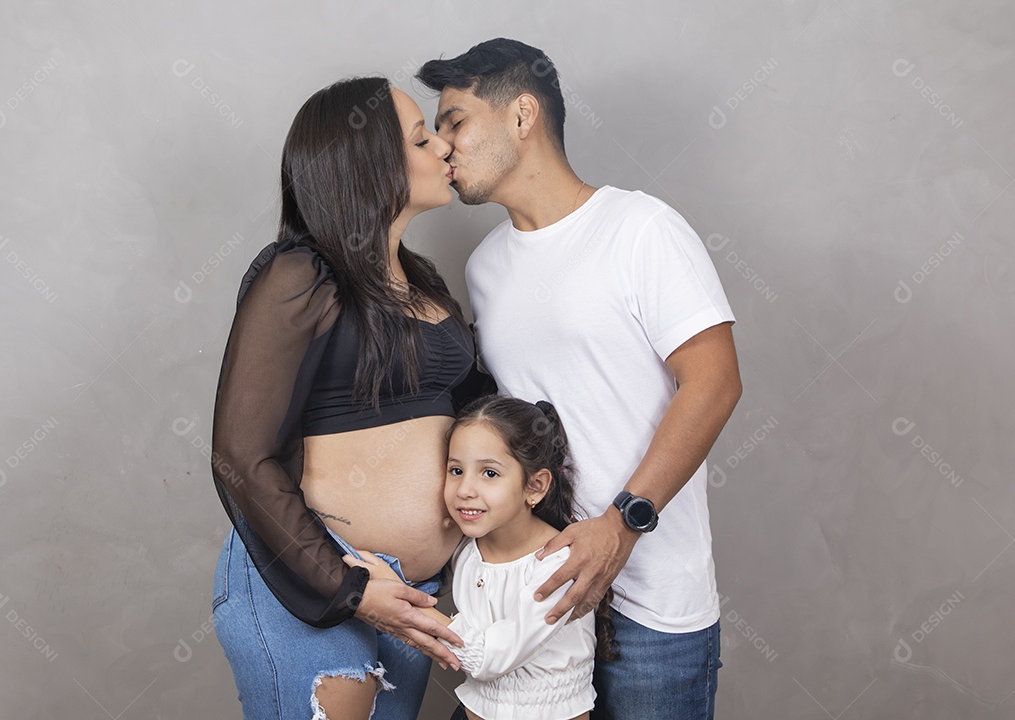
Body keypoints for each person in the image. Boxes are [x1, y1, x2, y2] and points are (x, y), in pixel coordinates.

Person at [416, 40, 743, 719]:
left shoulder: (641, 229)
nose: (442, 147)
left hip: (650, 612)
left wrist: (622, 523)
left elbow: (714, 383)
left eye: (454, 122)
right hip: (540, 606)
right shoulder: (484, 267)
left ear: (522, 114)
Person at [209, 76, 494, 720]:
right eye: (423, 138)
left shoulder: (424, 282)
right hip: (315, 583)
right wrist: (347, 587)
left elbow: (485, 415)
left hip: (410, 593)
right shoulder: (300, 275)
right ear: (371, 167)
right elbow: (240, 454)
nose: (445, 148)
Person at [344, 395, 619, 720]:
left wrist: (398, 598)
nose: (464, 489)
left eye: (489, 473)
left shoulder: (558, 566)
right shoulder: (465, 548)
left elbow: (490, 658)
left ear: (535, 486)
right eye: (456, 470)